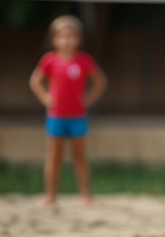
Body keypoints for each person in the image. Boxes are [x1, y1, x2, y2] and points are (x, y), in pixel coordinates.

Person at [29, 15, 107, 207]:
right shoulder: (49, 60)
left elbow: (100, 82)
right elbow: (35, 81)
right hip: (56, 116)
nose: (66, 40)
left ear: (78, 40)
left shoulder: (84, 61)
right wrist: (45, 97)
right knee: (54, 156)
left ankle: (86, 196)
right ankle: (50, 195)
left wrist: (88, 99)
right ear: (54, 39)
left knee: (79, 156)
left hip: (77, 116)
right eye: (62, 36)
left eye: (71, 36)